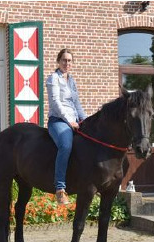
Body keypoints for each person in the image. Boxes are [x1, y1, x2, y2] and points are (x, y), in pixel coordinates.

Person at [46, 48, 87, 205]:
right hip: (58, 120)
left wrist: (85, 120)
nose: (67, 63)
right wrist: (69, 120)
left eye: (69, 60)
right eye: (64, 60)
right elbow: (55, 103)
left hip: (74, 120)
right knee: (66, 146)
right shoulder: (53, 79)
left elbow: (76, 103)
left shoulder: (71, 80)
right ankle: (60, 188)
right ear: (58, 61)